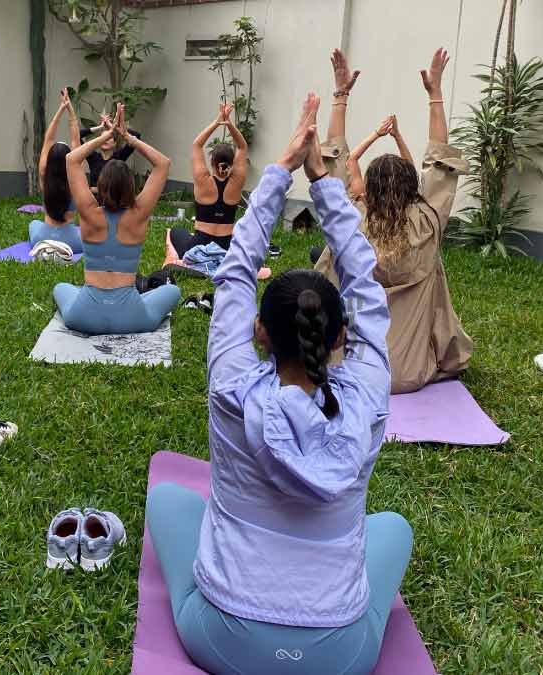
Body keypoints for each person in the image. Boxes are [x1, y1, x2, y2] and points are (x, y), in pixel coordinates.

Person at [145, 91, 412, 675]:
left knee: (168, 498)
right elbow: (366, 282)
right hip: (340, 656)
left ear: (259, 333)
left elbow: (236, 270)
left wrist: (281, 172)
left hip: (224, 643)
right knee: (392, 527)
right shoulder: (366, 397)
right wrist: (325, 184)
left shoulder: (232, 388)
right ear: (343, 338)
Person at [314, 48, 473, 394]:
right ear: (411, 188)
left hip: (347, 370)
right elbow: (440, 159)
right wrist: (435, 94)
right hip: (408, 374)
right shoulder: (428, 224)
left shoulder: (350, 223)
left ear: (367, 188)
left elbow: (333, 163)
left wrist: (340, 96)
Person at [57, 105, 180, 335]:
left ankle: (93, 301)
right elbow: (163, 163)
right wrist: (127, 138)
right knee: (172, 292)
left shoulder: (89, 212)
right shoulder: (138, 214)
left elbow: (72, 160)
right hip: (131, 318)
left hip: (84, 316)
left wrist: (105, 135)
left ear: (100, 186)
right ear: (131, 186)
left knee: (61, 287)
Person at [168, 103, 249, 258]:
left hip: (199, 245)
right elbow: (242, 147)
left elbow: (197, 145)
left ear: (212, 161)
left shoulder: (202, 180)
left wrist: (217, 121)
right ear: (231, 164)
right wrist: (229, 124)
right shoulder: (237, 182)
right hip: (225, 246)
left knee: (177, 231)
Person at [29, 87, 83, 252]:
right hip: (72, 242)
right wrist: (69, 109)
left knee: (33, 224)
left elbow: (48, 138)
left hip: (42, 239)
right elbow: (76, 139)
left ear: (49, 161)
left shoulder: (44, 175)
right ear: (69, 160)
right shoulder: (75, 178)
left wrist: (60, 109)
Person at [79, 111, 142, 191]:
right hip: (94, 201)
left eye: (109, 138)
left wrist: (114, 127)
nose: (105, 140)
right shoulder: (93, 157)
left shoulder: (119, 156)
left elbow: (137, 136)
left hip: (113, 200)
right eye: (103, 138)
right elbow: (78, 135)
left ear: (115, 143)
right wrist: (99, 127)